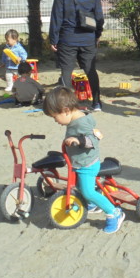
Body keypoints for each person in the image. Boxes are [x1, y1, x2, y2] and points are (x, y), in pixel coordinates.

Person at [42, 87, 125, 234]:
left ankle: (114, 213)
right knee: (80, 187)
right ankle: (93, 204)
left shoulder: (82, 123)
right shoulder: (75, 119)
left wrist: (79, 140)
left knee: (88, 192)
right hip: (79, 162)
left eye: (55, 117)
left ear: (66, 110)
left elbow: (93, 139)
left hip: (87, 164)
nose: (55, 121)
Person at [49, 0, 104, 112]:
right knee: (90, 70)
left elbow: (57, 17)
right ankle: (97, 103)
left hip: (67, 38)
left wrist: (53, 39)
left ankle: (67, 106)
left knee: (66, 72)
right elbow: (99, 16)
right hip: (88, 37)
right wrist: (97, 34)